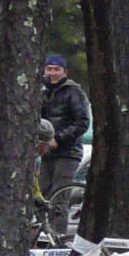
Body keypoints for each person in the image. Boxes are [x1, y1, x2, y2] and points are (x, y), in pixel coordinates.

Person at [39, 54, 90, 231]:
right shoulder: (41, 92)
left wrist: (58, 138)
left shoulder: (74, 92)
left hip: (67, 153)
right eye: (49, 69)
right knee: (41, 197)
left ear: (65, 72)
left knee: (59, 198)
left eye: (56, 69)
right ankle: (40, 235)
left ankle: (57, 236)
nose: (52, 73)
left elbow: (82, 123)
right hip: (45, 152)